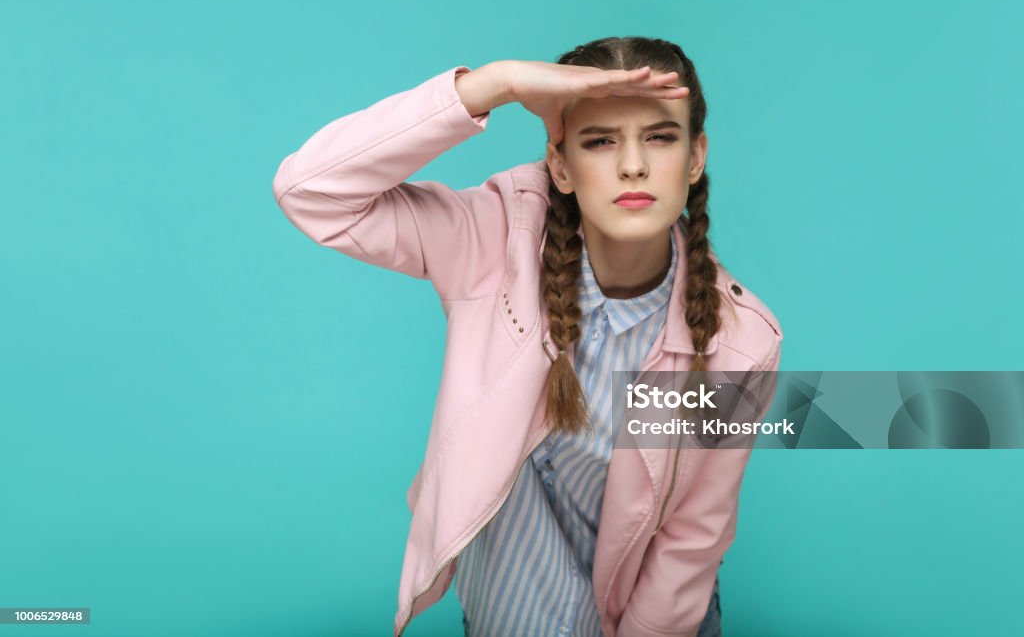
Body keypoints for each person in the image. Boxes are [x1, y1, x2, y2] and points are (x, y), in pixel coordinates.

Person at [272, 36, 783, 637]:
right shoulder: (491, 239)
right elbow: (310, 192)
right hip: (506, 617)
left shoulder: (740, 341)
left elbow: (693, 538)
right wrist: (495, 84)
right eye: (599, 140)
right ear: (559, 165)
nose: (633, 165)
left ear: (696, 157)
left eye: (659, 137)